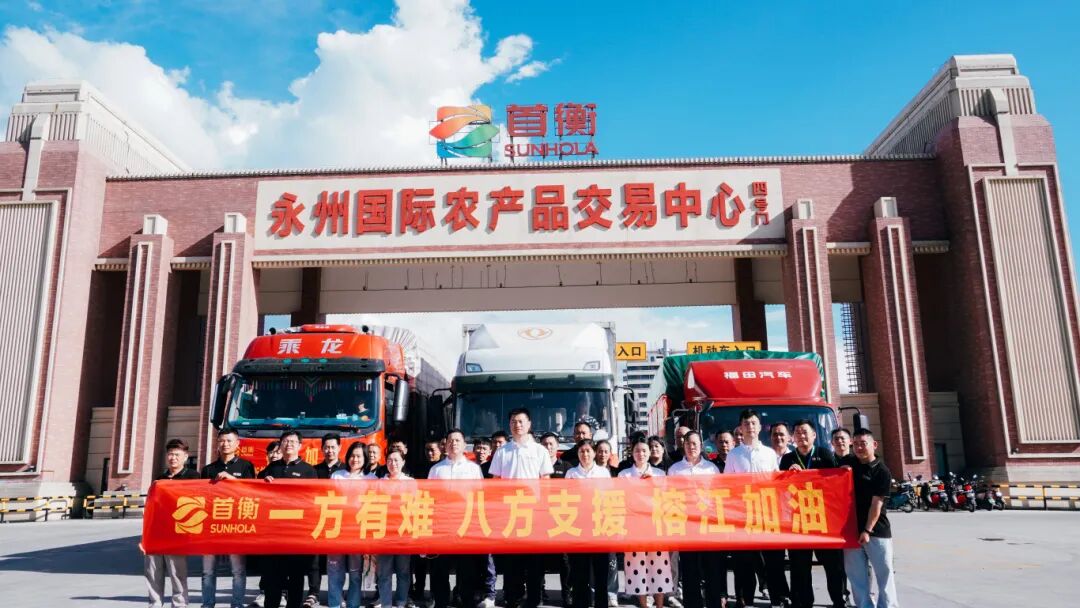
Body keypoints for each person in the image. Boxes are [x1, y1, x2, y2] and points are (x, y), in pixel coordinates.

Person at [488, 408, 553, 608]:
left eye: (521, 421)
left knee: (534, 560)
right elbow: (495, 481)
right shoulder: (502, 451)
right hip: (510, 513)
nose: (517, 425)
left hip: (533, 512)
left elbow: (545, 481)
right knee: (511, 560)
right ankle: (512, 598)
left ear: (529, 424)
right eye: (513, 422)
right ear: (509, 425)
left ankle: (534, 598)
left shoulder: (540, 451)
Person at [724, 410, 788, 608]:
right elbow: (726, 485)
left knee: (773, 559)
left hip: (768, 514)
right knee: (744, 561)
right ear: (740, 428)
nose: (750, 427)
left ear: (760, 427)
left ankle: (778, 597)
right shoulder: (734, 455)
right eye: (746, 423)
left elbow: (778, 483)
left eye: (753, 423)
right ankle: (745, 598)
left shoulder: (769, 454)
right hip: (742, 516)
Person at [779, 421, 845, 608]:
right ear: (793, 437)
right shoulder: (787, 459)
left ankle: (838, 600)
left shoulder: (824, 454)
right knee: (800, 566)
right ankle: (805, 602)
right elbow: (780, 489)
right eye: (797, 433)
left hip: (823, 521)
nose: (801, 436)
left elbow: (836, 482)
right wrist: (788, 475)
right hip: (798, 521)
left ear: (814, 435)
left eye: (805, 432)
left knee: (833, 565)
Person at [427, 430, 487, 608]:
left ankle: (466, 601)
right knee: (440, 569)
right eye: (450, 440)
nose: (454, 443)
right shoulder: (436, 469)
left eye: (458, 440)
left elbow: (480, 496)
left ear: (464, 445)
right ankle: (441, 603)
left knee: (467, 570)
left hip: (465, 525)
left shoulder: (473, 469)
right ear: (445, 445)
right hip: (442, 526)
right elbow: (429, 497)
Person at [668, 431, 725, 608]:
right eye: (688, 443)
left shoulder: (711, 469)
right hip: (687, 526)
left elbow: (719, 495)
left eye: (694, 443)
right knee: (689, 569)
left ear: (701, 446)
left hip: (708, 525)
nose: (691, 447)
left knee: (711, 569)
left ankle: (714, 603)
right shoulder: (675, 469)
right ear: (683, 446)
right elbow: (670, 496)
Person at [200, 428, 256, 608]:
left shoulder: (246, 466)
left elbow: (252, 493)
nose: (225, 444)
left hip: (236, 526)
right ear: (217, 444)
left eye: (229, 441)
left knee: (238, 570)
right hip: (212, 527)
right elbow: (201, 497)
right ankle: (207, 604)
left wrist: (232, 479)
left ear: (237, 444)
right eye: (222, 441)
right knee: (208, 571)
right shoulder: (208, 469)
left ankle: (237, 604)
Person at [843, 429, 899, 608]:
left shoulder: (882, 471)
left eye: (863, 443)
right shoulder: (849, 463)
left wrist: (867, 530)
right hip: (850, 531)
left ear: (874, 445)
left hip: (877, 531)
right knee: (856, 577)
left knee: (885, 574)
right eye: (856, 444)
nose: (859, 447)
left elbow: (877, 505)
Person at [261, 431, 318, 608]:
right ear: (280, 444)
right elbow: (255, 493)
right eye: (285, 441)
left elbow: (313, 500)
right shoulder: (271, 468)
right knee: (273, 578)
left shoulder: (309, 470)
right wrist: (263, 482)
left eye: (293, 441)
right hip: (274, 533)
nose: (289, 444)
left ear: (300, 445)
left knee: (296, 577)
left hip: (296, 533)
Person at [619, 438, 674, 608]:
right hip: (634, 526)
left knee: (660, 566)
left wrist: (652, 484)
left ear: (649, 453)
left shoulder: (660, 474)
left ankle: (659, 605)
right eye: (637, 450)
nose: (641, 454)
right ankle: (643, 604)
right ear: (632, 453)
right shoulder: (624, 475)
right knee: (636, 567)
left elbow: (667, 499)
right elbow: (621, 499)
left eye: (644, 450)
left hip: (656, 525)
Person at [146, 438, 200, 608]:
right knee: (153, 571)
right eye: (170, 454)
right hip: (157, 531)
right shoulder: (160, 479)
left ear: (185, 457)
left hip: (178, 531)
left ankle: (179, 604)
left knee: (177, 572)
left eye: (177, 454)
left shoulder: (193, 477)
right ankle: (155, 603)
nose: (173, 458)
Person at [566, 439, 613, 608]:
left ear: (594, 453)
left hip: (599, 527)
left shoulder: (603, 473)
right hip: (578, 527)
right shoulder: (571, 473)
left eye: (588, 451)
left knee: (601, 574)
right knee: (580, 573)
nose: (585, 454)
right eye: (581, 451)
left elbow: (609, 497)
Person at [328, 443, 370, 608]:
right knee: (334, 571)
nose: (355, 459)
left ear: (365, 459)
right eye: (352, 455)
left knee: (355, 572)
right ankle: (334, 604)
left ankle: (353, 604)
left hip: (358, 531)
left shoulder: (371, 479)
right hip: (337, 529)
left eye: (359, 456)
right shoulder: (337, 476)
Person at [309, 433, 346, 607]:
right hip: (318, 519)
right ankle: (313, 592)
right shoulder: (313, 470)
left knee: (337, 561)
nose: (330, 450)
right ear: (322, 449)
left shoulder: (346, 470)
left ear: (339, 448)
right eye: (327, 447)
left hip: (339, 520)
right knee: (315, 560)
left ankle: (338, 594)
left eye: (333, 447)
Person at [377, 449, 414, 608]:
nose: (393, 464)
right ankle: (385, 603)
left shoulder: (410, 482)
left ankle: (400, 602)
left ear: (403, 462)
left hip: (403, 533)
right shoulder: (379, 483)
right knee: (384, 573)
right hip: (384, 534)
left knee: (403, 571)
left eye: (397, 460)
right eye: (390, 460)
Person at [411, 439, 445, 607]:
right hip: (421, 515)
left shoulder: (442, 468)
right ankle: (418, 591)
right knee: (420, 559)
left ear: (440, 450)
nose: (429, 453)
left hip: (439, 518)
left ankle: (434, 594)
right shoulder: (418, 468)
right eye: (427, 450)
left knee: (435, 562)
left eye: (432, 450)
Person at [253, 441, 283, 608]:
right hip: (267, 524)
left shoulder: (285, 471)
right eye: (271, 452)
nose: (274, 455)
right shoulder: (262, 474)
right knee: (267, 561)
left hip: (285, 523)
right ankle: (263, 591)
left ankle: (283, 593)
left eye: (277, 452)